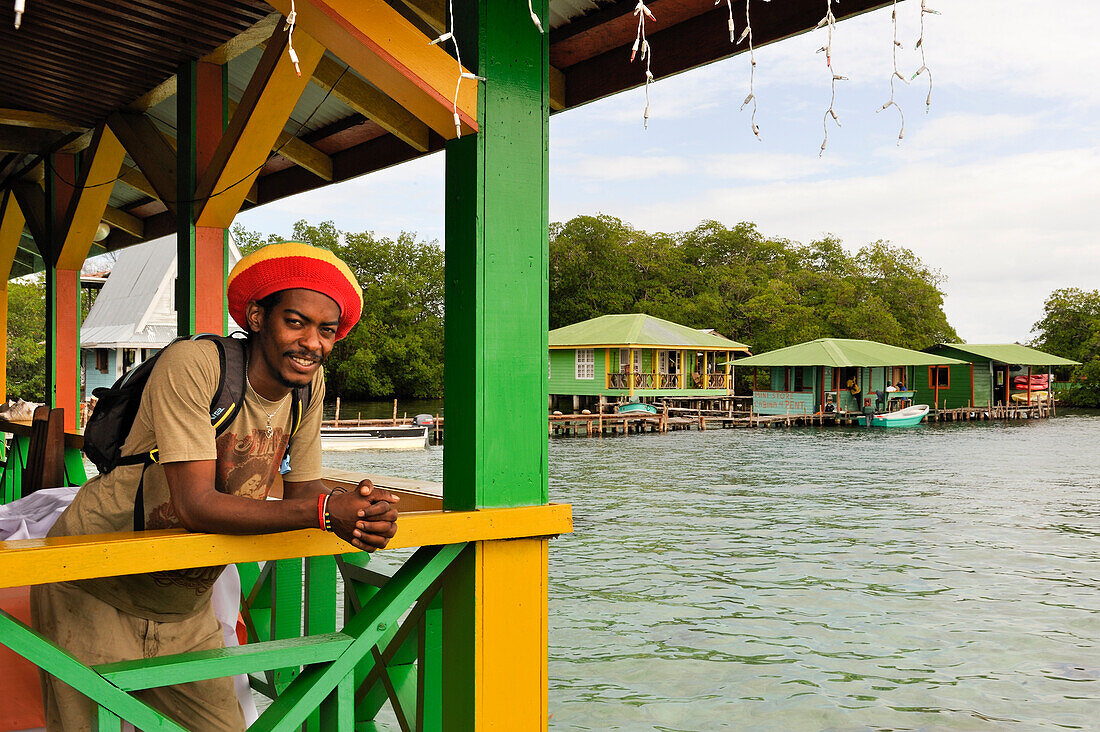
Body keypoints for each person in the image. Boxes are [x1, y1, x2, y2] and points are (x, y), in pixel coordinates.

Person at [31, 242, 399, 731]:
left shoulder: (309, 387)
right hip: (92, 586)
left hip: (184, 607)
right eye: (296, 322)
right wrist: (328, 512)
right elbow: (196, 505)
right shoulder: (196, 364)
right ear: (256, 316)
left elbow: (305, 496)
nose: (312, 343)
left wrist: (366, 513)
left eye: (326, 331)